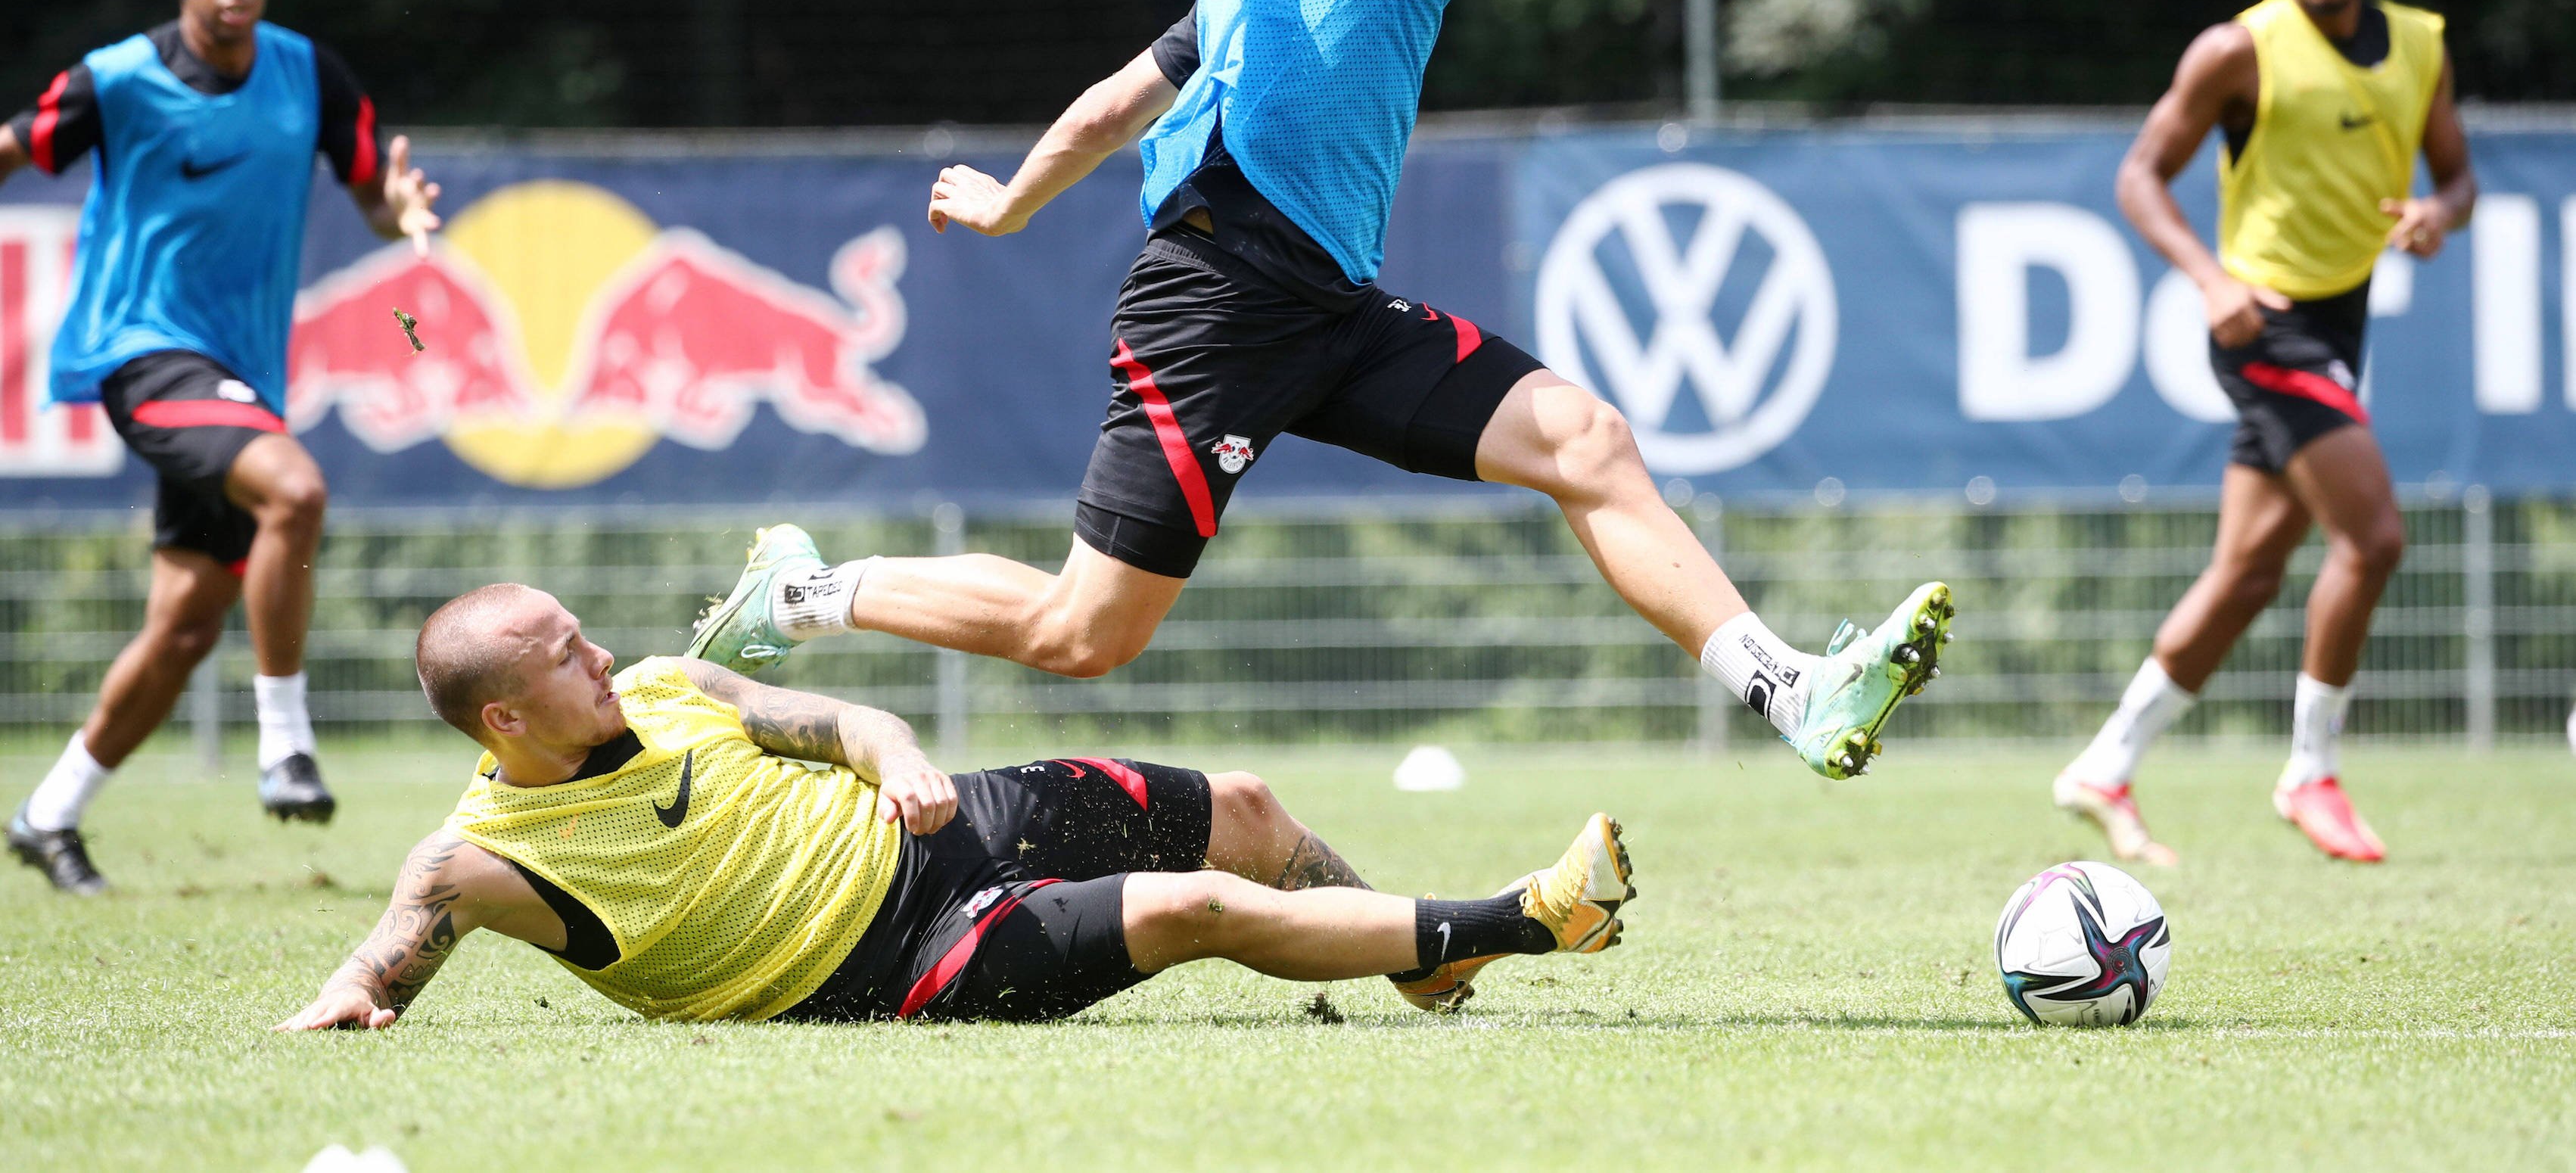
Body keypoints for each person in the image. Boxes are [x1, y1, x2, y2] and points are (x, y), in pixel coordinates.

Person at [687, 0, 1955, 841]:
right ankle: (800, 594)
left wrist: (1015, 197)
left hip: (1327, 307)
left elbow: (1140, 83)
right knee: (1084, 636)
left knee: (1585, 439)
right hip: (1221, 306)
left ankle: (1789, 689)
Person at [276, 584, 1634, 1029]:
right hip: (896, 965)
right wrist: (352, 991)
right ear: (503, 721)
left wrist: (897, 757)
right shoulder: (488, 852)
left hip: (937, 827)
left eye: (580, 633)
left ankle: (1418, 972)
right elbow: (409, 920)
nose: (596, 655)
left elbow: (844, 722)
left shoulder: (668, 684)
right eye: (563, 658)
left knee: (1244, 809)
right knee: (1195, 909)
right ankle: (1518, 922)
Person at [4, 0, 442, 895]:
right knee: (296, 491)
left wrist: (402, 207)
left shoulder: (308, 75)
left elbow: (377, 197)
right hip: (140, 350)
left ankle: (47, 814)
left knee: (190, 621)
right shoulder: (116, 79)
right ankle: (286, 742)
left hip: (237, 376)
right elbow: (17, 146)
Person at [2056, 0, 2475, 866]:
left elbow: (2458, 175)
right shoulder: (2238, 48)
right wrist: (2207, 280)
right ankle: (2309, 769)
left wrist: (2436, 215)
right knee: (2373, 541)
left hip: (2343, 324)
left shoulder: (2421, 44)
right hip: (2264, 327)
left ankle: (2105, 765)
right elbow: (2138, 176)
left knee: (2246, 574)